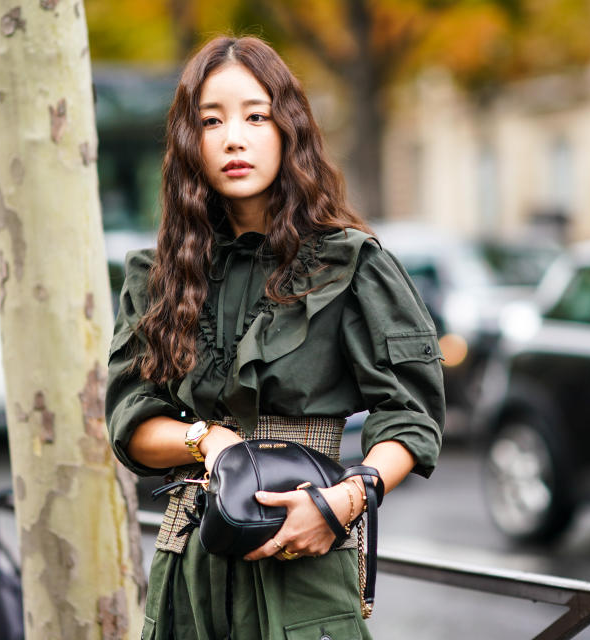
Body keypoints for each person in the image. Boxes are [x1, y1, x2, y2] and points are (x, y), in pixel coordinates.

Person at [105, 35, 444, 640]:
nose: (234, 137)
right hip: (191, 565)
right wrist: (206, 441)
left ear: (289, 129)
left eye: (256, 116)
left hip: (305, 561)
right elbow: (131, 422)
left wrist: (344, 502)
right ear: (191, 143)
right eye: (212, 121)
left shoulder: (351, 263)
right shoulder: (158, 274)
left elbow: (412, 417)